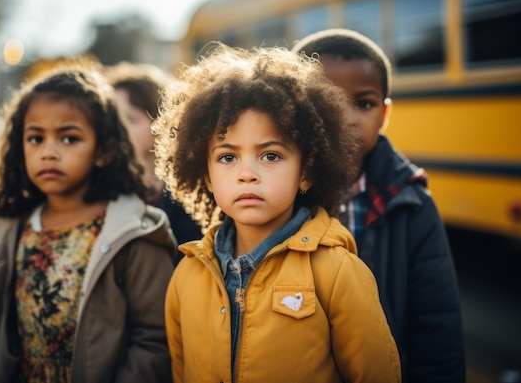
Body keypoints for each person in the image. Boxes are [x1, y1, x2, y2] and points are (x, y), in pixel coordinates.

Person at [152, 42, 401, 383]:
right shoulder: (186, 277)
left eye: (270, 155)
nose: (247, 173)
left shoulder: (337, 272)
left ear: (306, 172)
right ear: (206, 175)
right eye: (228, 157)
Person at [0, 64, 176, 383]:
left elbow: (153, 341)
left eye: (69, 138)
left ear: (104, 150)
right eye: (36, 138)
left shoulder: (135, 231)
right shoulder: (14, 228)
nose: (49, 152)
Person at [292, 28, 466, 383]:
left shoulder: (410, 202)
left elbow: (436, 320)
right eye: (329, 102)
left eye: (364, 103)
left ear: (384, 114)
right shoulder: (274, 195)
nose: (349, 118)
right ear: (292, 112)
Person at [104, 61, 202, 249]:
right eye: (113, 120)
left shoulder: (190, 190)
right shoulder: (104, 186)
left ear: (161, 122)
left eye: (131, 119)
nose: (118, 129)